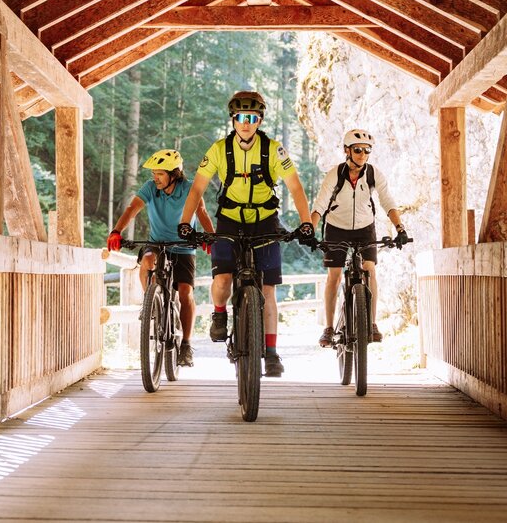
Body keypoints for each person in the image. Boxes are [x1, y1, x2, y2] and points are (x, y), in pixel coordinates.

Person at [176, 91, 316, 378]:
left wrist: (306, 223)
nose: (246, 123)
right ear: (233, 119)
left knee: (268, 290)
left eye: (252, 118)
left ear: (260, 120)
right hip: (229, 219)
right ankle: (219, 313)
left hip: (265, 220)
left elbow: (296, 188)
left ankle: (272, 353)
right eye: (240, 117)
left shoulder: (274, 150)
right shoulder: (218, 149)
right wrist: (185, 223)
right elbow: (197, 189)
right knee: (223, 278)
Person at [107, 149, 215, 368]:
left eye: (160, 174)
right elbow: (132, 209)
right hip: (157, 243)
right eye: (154, 173)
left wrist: (209, 237)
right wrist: (116, 231)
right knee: (147, 261)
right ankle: (151, 303)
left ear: (174, 174)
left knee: (185, 293)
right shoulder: (150, 188)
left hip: (184, 247)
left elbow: (202, 212)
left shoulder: (189, 188)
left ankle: (185, 344)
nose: (155, 177)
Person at [311, 129, 410, 348]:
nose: (362, 155)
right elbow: (320, 204)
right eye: (357, 150)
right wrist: (310, 227)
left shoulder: (374, 174)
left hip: (365, 228)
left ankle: (372, 323)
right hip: (336, 227)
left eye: (367, 151)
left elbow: (387, 201)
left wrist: (400, 228)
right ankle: (328, 328)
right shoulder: (335, 174)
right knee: (334, 276)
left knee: (370, 269)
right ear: (347, 151)